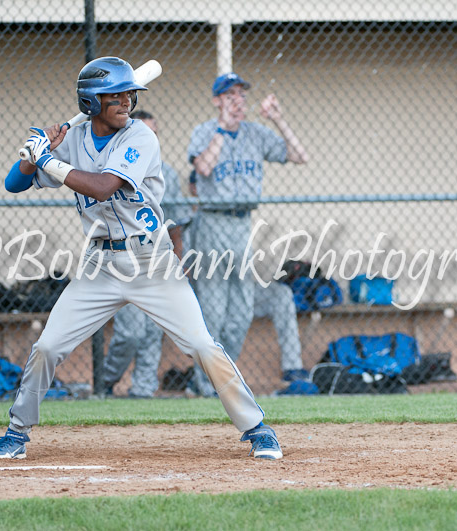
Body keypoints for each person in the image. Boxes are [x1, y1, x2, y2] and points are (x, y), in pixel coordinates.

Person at [0, 57, 282, 460]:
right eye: (116, 95)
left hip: (152, 261)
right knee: (48, 346)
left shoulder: (141, 137)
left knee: (201, 344)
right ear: (90, 102)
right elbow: (13, 183)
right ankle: (16, 433)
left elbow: (104, 186)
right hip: (99, 265)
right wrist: (32, 154)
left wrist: (49, 161)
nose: (127, 100)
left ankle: (257, 428)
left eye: (130, 93)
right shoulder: (71, 138)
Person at [187, 74, 308, 397]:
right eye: (229, 95)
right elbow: (203, 168)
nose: (237, 100)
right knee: (213, 311)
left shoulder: (255, 133)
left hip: (242, 225)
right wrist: (222, 130)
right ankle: (205, 387)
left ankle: (220, 378)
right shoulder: (204, 131)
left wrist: (279, 120)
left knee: (241, 312)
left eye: (241, 95)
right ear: (217, 101)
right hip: (212, 223)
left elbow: (299, 155)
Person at [102, 110, 193, 398]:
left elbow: (176, 223)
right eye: (145, 133)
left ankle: (142, 390)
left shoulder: (166, 172)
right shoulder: (112, 168)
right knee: (131, 332)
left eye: (155, 133)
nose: (151, 139)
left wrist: (179, 259)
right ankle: (104, 379)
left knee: (154, 329)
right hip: (123, 259)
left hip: (158, 258)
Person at [190, 171, 308, 383]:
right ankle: (207, 378)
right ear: (194, 189)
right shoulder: (189, 222)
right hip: (204, 294)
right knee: (215, 314)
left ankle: (293, 367)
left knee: (281, 294)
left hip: (238, 292)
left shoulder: (236, 219)